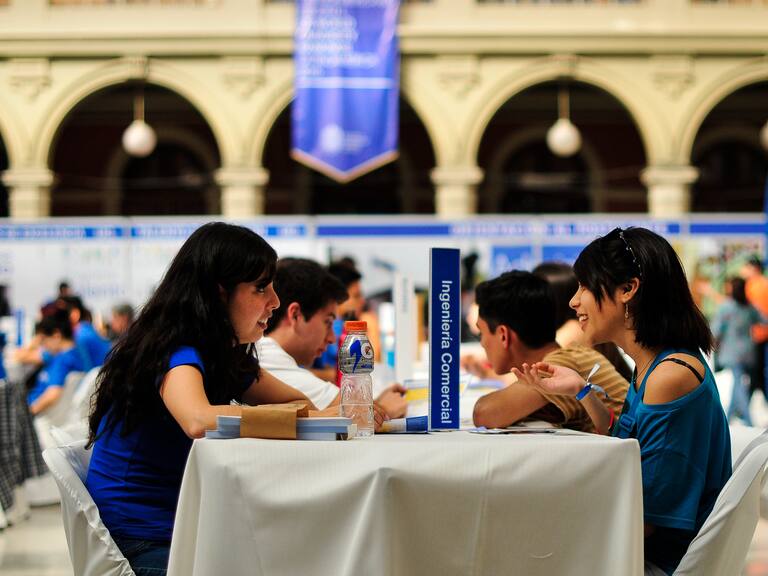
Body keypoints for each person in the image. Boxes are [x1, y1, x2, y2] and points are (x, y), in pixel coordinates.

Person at [85, 223, 378, 576]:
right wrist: (309, 418)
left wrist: (344, 411)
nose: (275, 301)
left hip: (182, 529)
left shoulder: (224, 354)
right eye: (261, 288)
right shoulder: (175, 348)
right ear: (218, 293)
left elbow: (303, 406)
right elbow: (197, 419)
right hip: (145, 542)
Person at [512, 227, 731, 575]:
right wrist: (580, 391)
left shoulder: (668, 376)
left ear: (628, 289)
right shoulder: (653, 366)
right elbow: (629, 444)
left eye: (584, 286)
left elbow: (649, 518)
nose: (573, 301)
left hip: (654, 561)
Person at [470, 271, 628, 432]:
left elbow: (483, 413)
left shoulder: (560, 364)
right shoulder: (568, 355)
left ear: (503, 335)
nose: (482, 343)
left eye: (482, 333)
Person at [258, 258, 407, 418]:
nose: (331, 338)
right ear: (295, 314)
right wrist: (383, 410)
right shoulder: (268, 358)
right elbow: (356, 413)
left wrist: (375, 404)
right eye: (327, 322)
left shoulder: (267, 356)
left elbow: (347, 408)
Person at [532, 261, 633, 382]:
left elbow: (525, 377)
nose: (574, 301)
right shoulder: (582, 325)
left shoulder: (575, 329)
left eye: (584, 289)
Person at [711, 276, 761, 426]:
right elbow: (763, 320)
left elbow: (716, 330)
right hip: (749, 351)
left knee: (738, 383)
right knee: (737, 382)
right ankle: (729, 415)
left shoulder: (726, 307)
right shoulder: (749, 307)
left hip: (731, 353)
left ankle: (748, 420)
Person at [27, 312, 85, 415]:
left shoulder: (62, 361)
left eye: (43, 340)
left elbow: (53, 394)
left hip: (41, 415)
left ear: (56, 336)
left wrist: (29, 413)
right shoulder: (75, 353)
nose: (42, 346)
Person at [740, 256, 768, 402]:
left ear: (754, 268)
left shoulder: (751, 286)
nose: (742, 270)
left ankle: (745, 401)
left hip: (755, 334)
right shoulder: (765, 283)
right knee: (757, 370)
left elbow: (739, 308)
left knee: (754, 371)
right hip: (763, 334)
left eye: (745, 267)